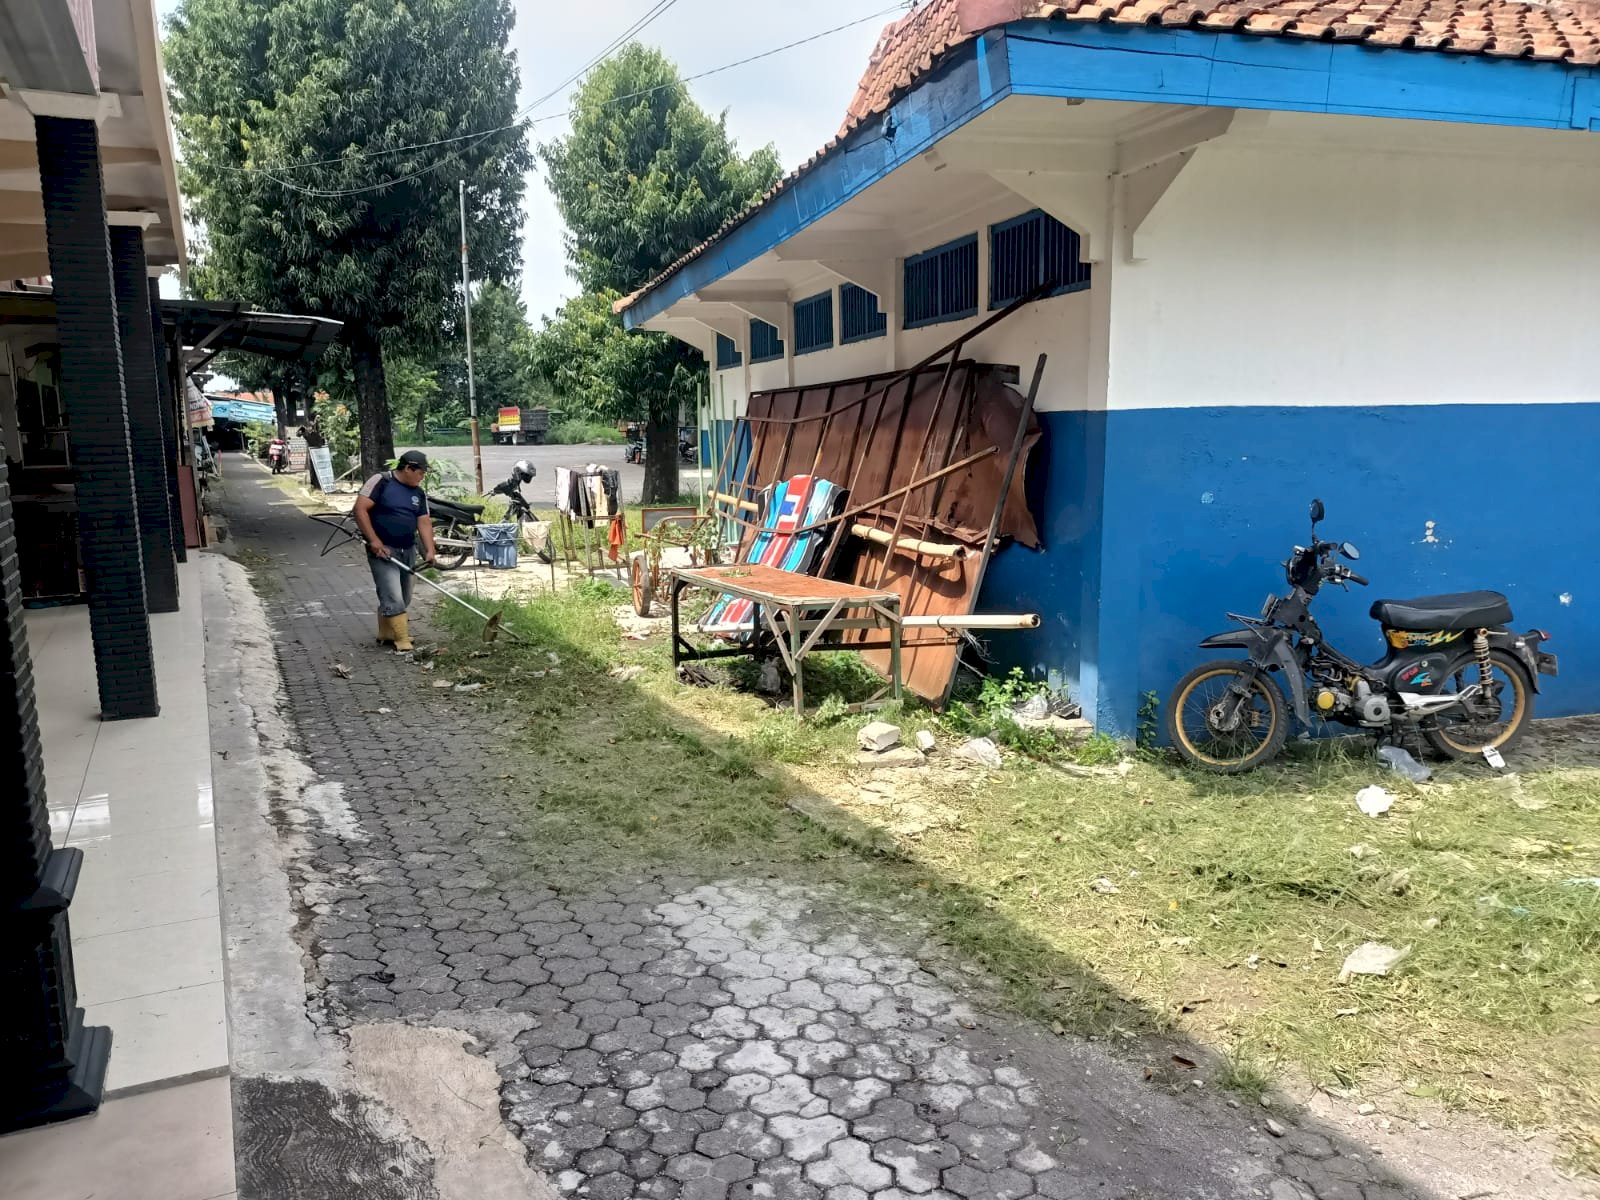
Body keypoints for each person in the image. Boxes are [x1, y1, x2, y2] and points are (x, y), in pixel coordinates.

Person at [352, 450, 437, 651]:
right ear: (408, 468)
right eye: (420, 472)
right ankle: (401, 638)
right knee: (392, 593)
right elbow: (360, 509)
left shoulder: (418, 493)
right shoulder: (381, 481)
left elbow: (424, 522)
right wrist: (374, 541)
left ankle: (386, 632)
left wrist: (430, 550)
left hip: (408, 549)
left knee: (405, 595)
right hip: (382, 550)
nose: (422, 477)